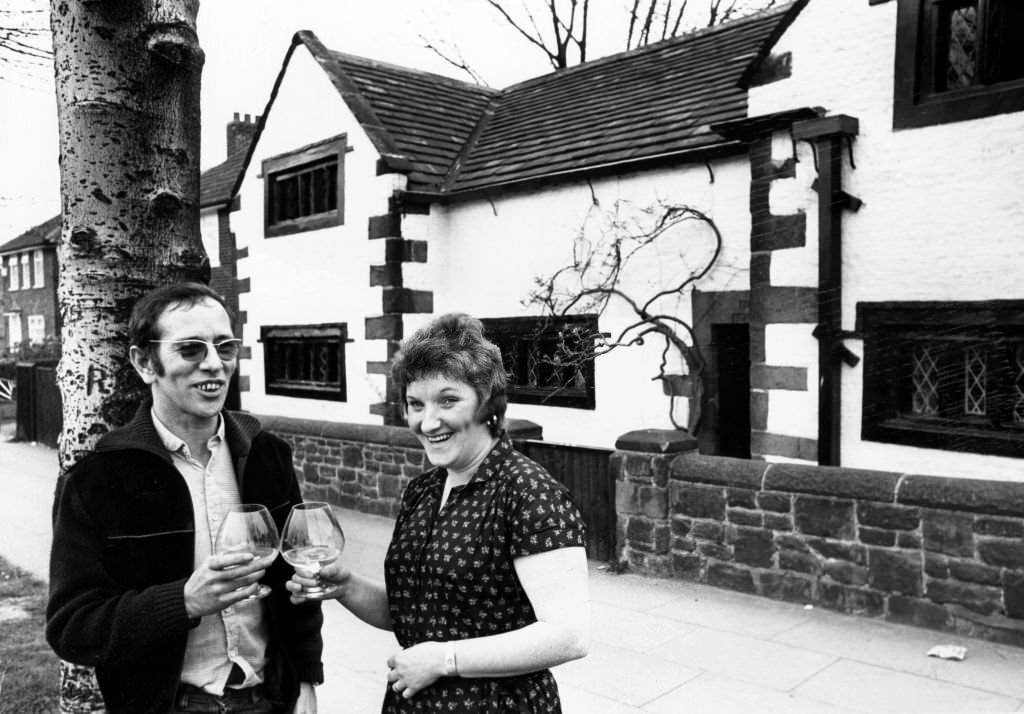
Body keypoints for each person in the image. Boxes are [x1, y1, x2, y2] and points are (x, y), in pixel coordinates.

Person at [288, 313, 590, 712]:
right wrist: (345, 587)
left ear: (488, 404)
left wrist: (444, 660)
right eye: (416, 404)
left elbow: (568, 636)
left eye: (448, 400)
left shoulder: (529, 492)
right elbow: (418, 617)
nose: (428, 422)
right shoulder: (424, 490)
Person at [46, 282, 324, 714]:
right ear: (144, 362)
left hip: (269, 698)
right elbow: (72, 627)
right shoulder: (98, 479)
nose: (214, 365)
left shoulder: (268, 455)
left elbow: (297, 579)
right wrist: (184, 601)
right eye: (191, 349)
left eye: (225, 347)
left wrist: (306, 678)